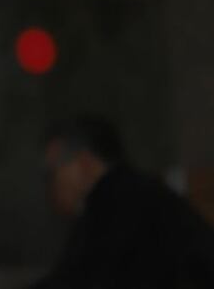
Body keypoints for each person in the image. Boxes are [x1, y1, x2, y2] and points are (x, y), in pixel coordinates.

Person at [33, 115, 214, 289]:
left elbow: (79, 280)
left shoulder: (116, 206)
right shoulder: (136, 195)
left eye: (51, 173)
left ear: (84, 164)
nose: (50, 185)